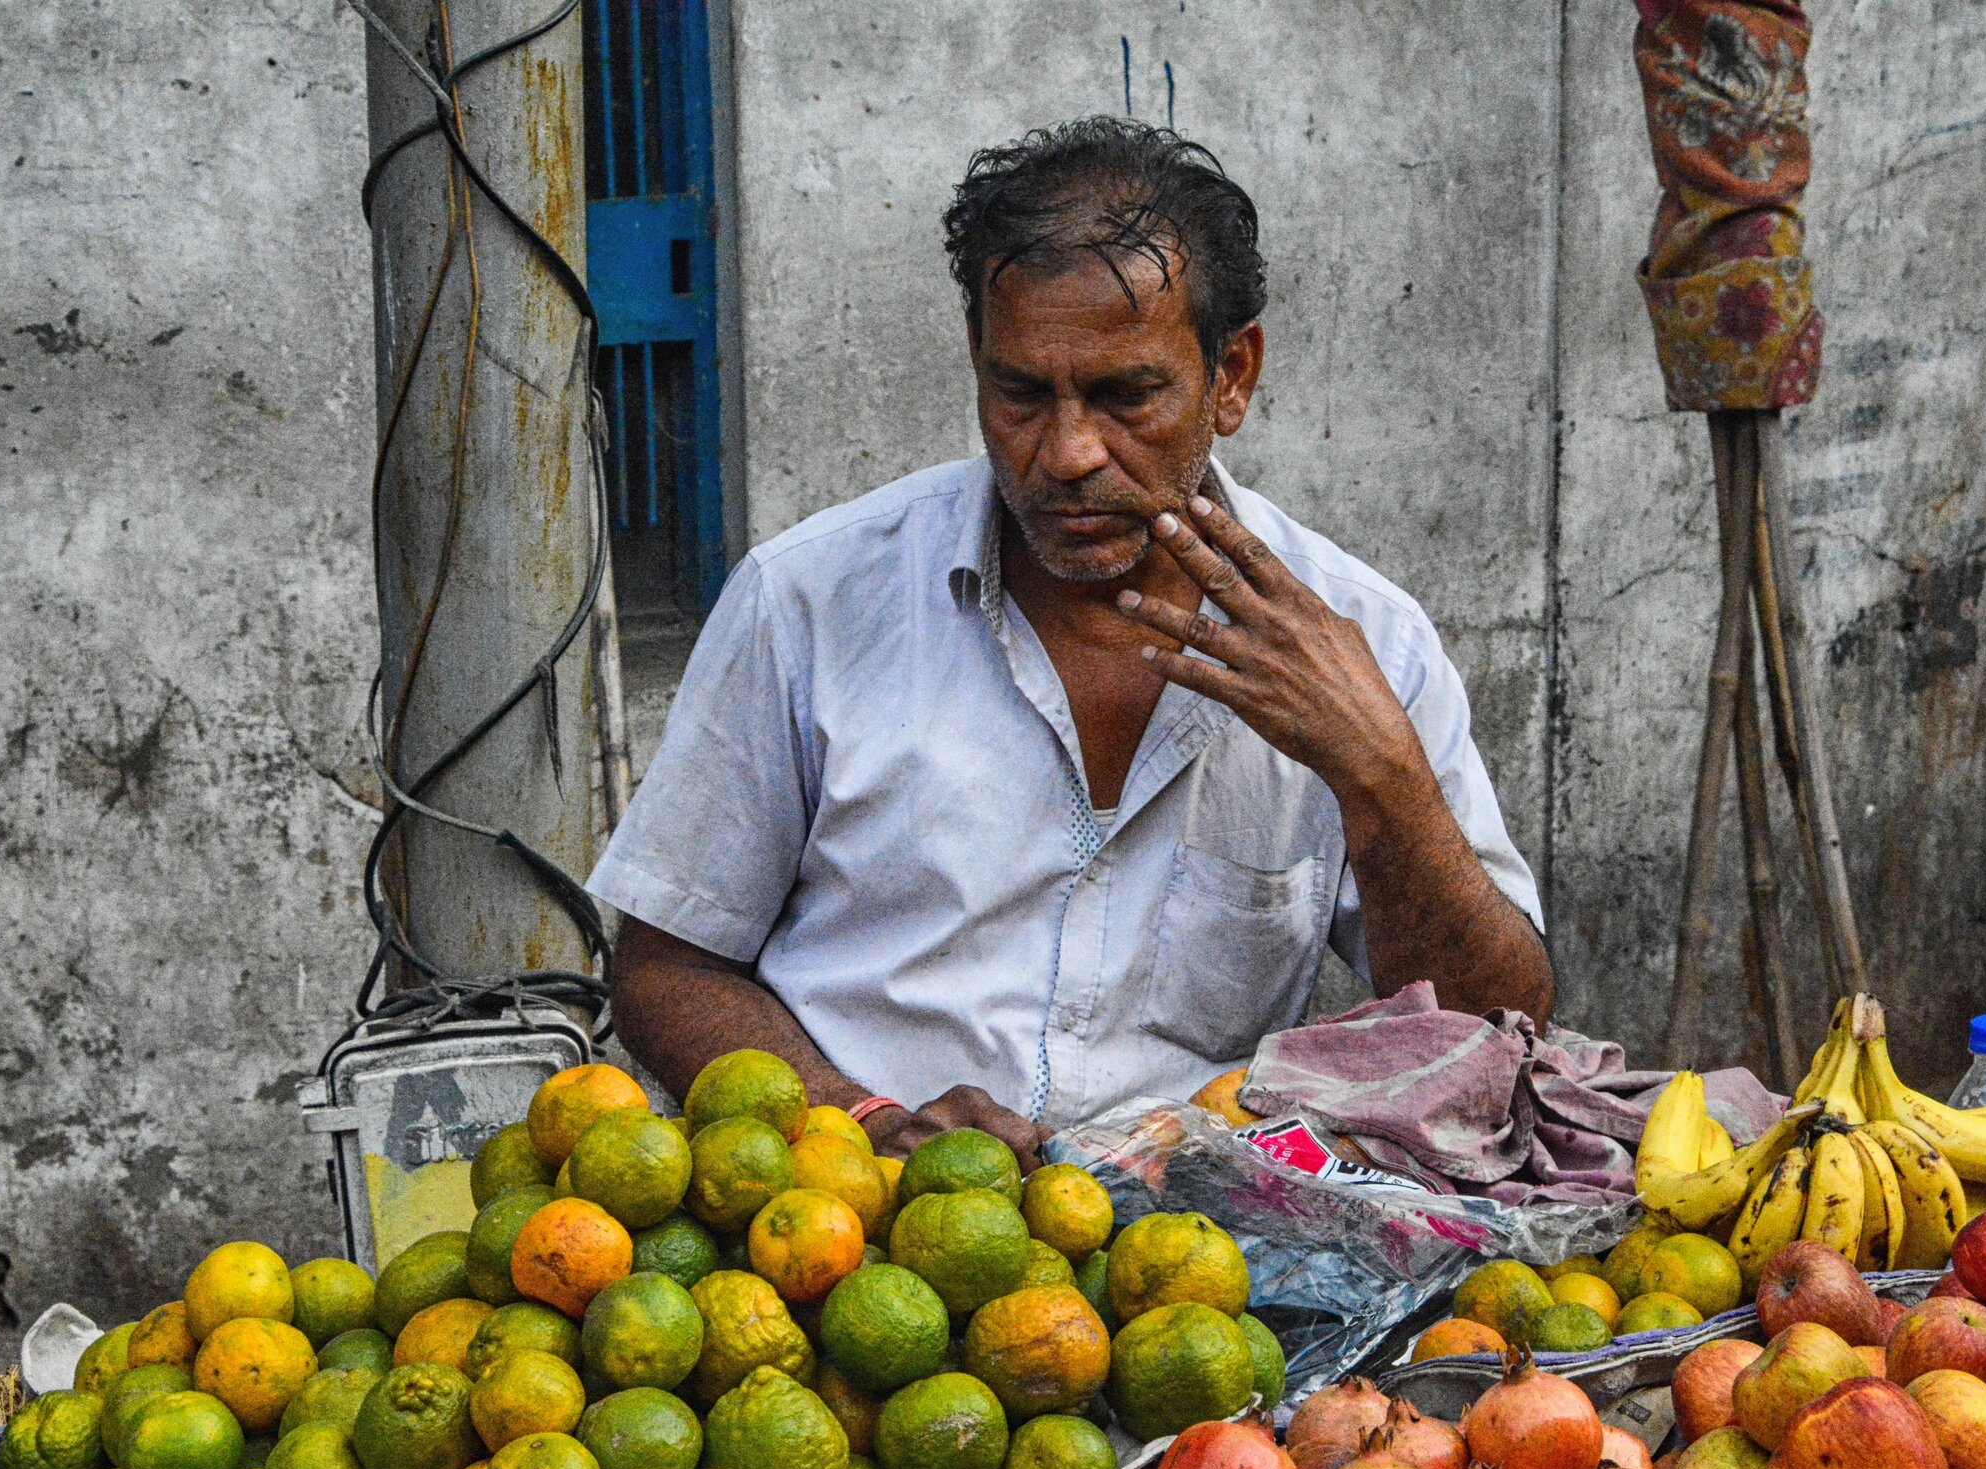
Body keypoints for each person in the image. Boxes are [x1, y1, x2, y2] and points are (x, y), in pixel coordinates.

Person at [591, 117, 1553, 1163]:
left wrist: (1380, 778)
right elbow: (663, 965)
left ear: (1231, 375)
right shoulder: (810, 600)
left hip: (1187, 1274)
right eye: (1019, 392)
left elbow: (1496, 1033)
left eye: (1125, 393)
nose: (1068, 452)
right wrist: (859, 1121)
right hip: (846, 1236)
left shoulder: (1370, 643)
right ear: (976, 360)